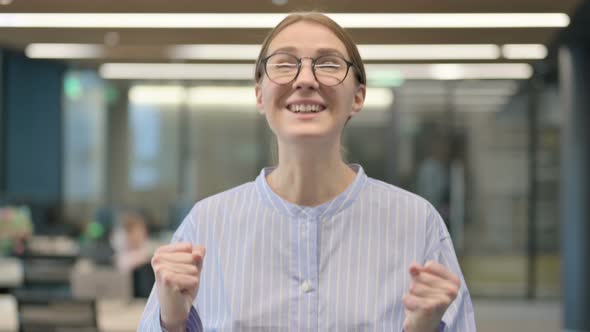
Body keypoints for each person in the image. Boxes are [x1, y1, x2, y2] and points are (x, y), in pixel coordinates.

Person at [138, 12, 476, 332]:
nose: (305, 79)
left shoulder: (418, 225)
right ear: (259, 95)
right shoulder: (206, 225)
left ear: (358, 97)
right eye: (284, 64)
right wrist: (171, 322)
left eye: (328, 64)